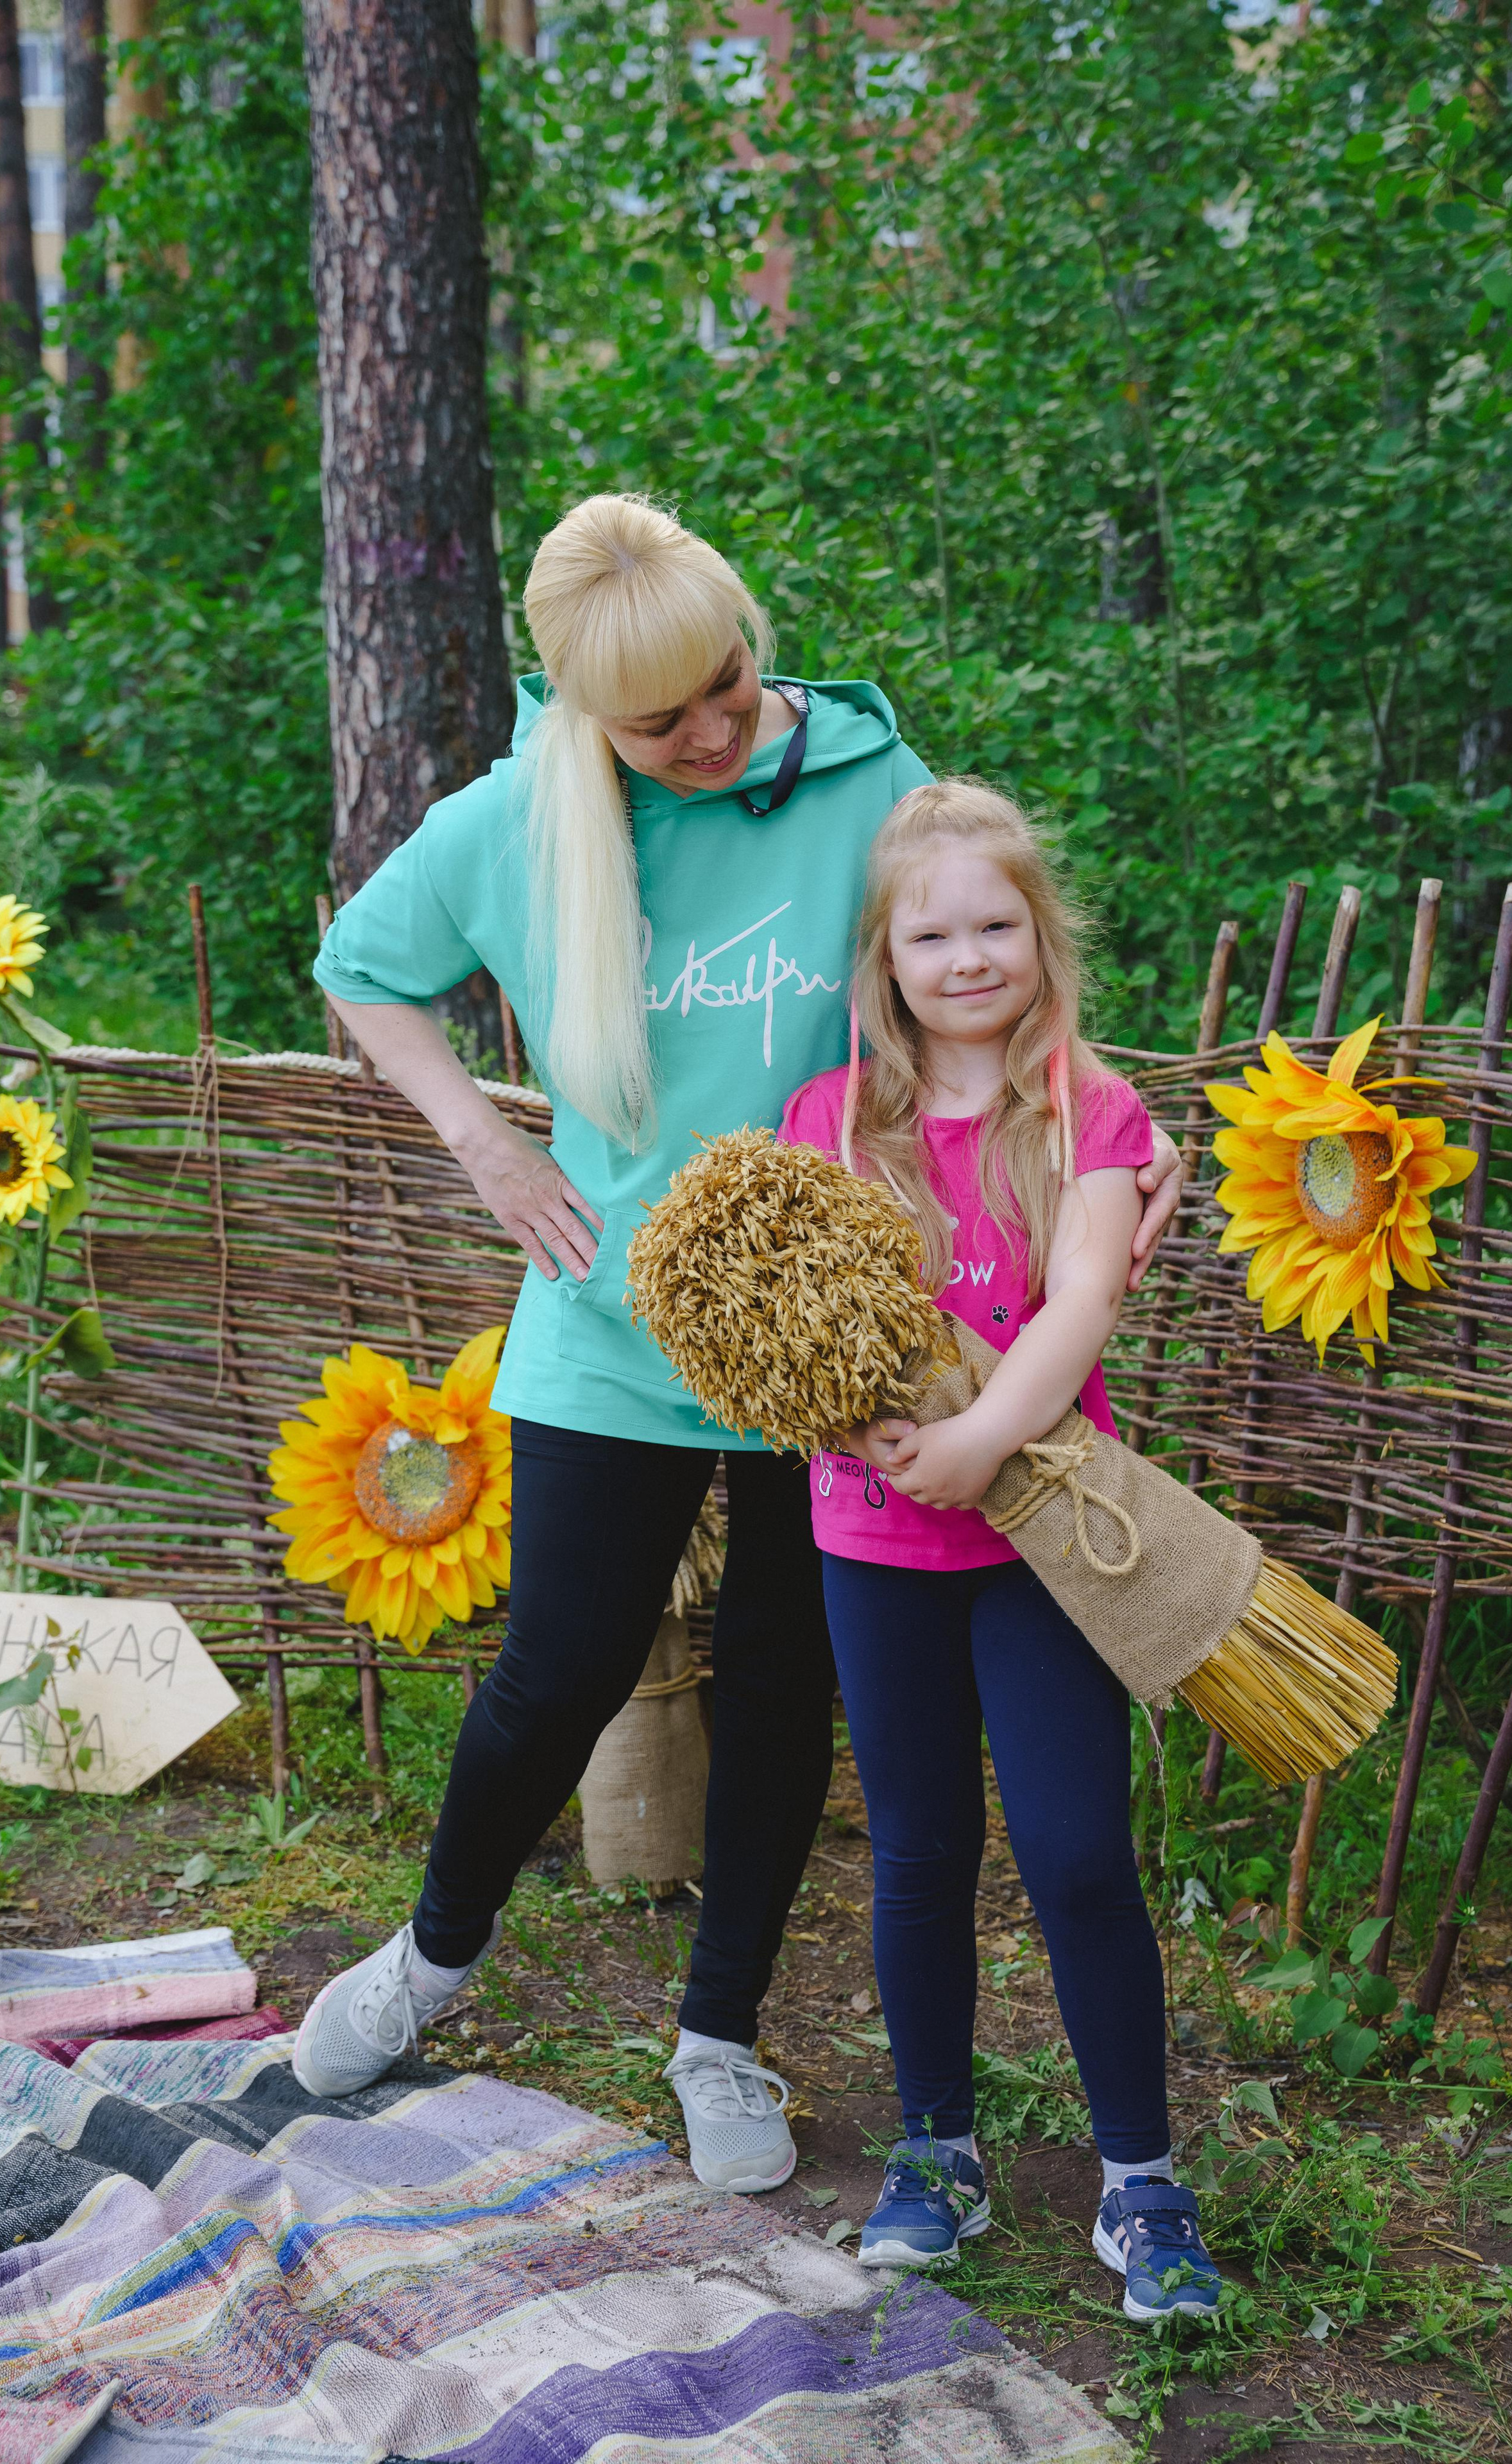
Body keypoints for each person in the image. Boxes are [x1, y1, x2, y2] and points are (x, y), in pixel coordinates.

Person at [291, 494, 1185, 2200]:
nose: (709, 734)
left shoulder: (862, 777)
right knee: (556, 1666)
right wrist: (486, 1141)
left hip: (843, 1332)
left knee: (788, 1684)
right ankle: (433, 1955)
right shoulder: (517, 823)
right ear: (576, 714)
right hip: (606, 1314)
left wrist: (1116, 1153)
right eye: (659, 722)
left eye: (725, 686)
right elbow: (363, 969)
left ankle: (719, 2037)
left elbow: (983, 950)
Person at [779, 777, 1220, 2320]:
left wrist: (979, 1447)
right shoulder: (824, 1124)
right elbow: (800, 1331)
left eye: (993, 924)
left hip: (1040, 1539)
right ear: (884, 960)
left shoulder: (1088, 1114)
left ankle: (1140, 2180)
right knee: (914, 1853)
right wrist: (885, 1439)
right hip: (876, 1539)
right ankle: (936, 2148)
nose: (965, 956)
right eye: (930, 932)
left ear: (1040, 933)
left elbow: (1082, 1302)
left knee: (1076, 1851)